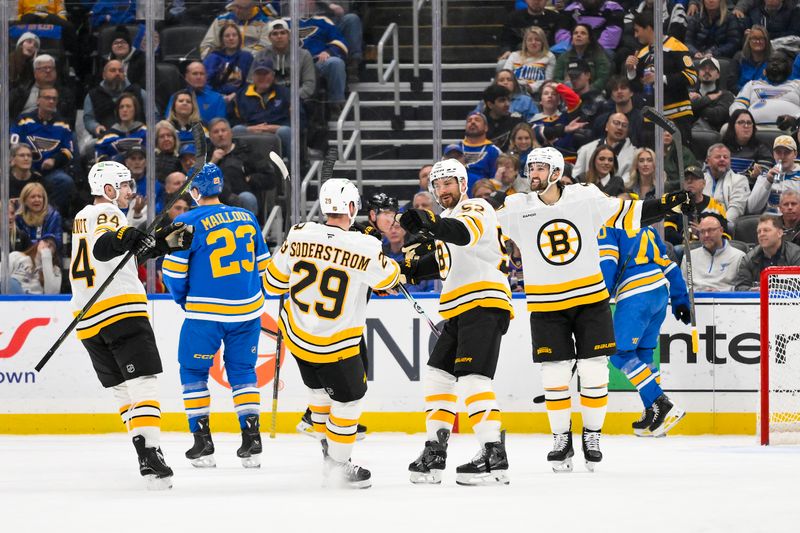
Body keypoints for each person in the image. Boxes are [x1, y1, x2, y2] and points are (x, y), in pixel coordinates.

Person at [495, 147, 690, 472]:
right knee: (579, 369)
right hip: (570, 301)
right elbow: (486, 225)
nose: (534, 174)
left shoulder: (591, 209)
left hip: (611, 297)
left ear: (556, 172)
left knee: (606, 363)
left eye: (541, 168)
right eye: (531, 168)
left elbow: (618, 238)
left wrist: (663, 207)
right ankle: (579, 434)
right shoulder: (521, 205)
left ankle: (623, 420)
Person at [263, 178, 402, 488]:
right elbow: (390, 278)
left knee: (320, 399)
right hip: (337, 345)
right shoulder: (364, 245)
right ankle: (338, 467)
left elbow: (272, 284)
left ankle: (329, 454)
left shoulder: (299, 233)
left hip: (298, 340)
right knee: (349, 403)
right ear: (352, 208)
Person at [70, 160, 192, 489]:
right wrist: (128, 233)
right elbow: (106, 243)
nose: (129, 191)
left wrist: (160, 245)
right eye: (124, 185)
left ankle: (144, 455)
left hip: (87, 319)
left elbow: (114, 258)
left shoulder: (81, 217)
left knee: (125, 393)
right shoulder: (106, 213)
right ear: (108, 189)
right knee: (145, 382)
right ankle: (152, 451)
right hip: (119, 310)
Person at [400, 159, 513, 485]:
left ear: (462, 184)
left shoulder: (476, 207)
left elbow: (463, 235)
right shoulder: (446, 221)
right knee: (438, 376)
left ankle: (494, 455)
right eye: (438, 185)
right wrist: (401, 269)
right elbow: (440, 261)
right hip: (458, 309)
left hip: (484, 302)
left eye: (449, 183)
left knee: (472, 378)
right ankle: (435, 452)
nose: (443, 189)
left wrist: (429, 222)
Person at [161, 163, 269, 469]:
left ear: (195, 191)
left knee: (193, 372)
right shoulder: (247, 217)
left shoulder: (186, 220)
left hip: (205, 311)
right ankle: (252, 439)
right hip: (248, 309)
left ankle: (203, 442)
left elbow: (172, 272)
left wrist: (184, 300)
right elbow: (263, 266)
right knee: (243, 372)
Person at [599, 225, 690, 436]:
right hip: (660, 292)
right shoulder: (647, 229)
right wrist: (679, 298)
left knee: (619, 353)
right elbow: (668, 265)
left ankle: (662, 403)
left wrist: (600, 298)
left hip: (635, 294)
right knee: (643, 353)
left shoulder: (608, 227)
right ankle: (653, 413)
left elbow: (608, 265)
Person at [626, 10, 697, 145]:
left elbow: (691, 77)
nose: (635, 35)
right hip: (651, 117)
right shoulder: (642, 53)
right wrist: (631, 71)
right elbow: (637, 87)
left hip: (678, 114)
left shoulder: (676, 46)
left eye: (637, 30)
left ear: (648, 27)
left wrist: (661, 78)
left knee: (678, 160)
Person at [10, 86, 75, 217]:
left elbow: (69, 151)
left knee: (65, 181)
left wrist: (54, 160)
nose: (51, 101)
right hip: (26, 169)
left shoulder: (63, 124)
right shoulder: (23, 120)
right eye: (47, 98)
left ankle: (52, 217)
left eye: (54, 99)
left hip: (51, 172)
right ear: (38, 100)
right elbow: (13, 144)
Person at [208, 117, 277, 217]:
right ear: (210, 136)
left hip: (242, 199)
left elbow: (270, 179)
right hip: (215, 202)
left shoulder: (247, 151)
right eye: (216, 132)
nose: (220, 134)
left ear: (231, 133)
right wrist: (213, 162)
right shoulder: (206, 155)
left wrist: (249, 179)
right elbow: (198, 183)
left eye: (223, 130)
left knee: (247, 197)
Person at [230, 58, 293, 160]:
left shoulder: (285, 93)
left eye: (266, 74)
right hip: (251, 131)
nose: (262, 77)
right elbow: (233, 120)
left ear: (272, 76)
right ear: (253, 77)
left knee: (286, 131)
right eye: (259, 74)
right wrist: (250, 128)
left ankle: (294, 172)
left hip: (277, 131)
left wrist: (274, 128)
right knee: (237, 130)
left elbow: (297, 120)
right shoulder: (241, 95)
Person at [730, 51, 800, 128]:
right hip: (753, 129)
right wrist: (743, 118)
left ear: (789, 67)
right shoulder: (752, 85)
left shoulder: (797, 84)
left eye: (780, 61)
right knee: (725, 128)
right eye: (771, 61)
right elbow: (738, 104)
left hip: (793, 129)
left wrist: (795, 119)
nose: (775, 63)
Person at [251, 19, 316, 101]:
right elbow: (252, 82)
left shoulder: (304, 55)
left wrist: (289, 99)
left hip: (297, 102)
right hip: (268, 101)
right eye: (275, 34)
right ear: (269, 38)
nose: (279, 36)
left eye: (283, 33)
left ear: (288, 35)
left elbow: (309, 85)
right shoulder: (261, 55)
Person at [665, 165, 729, 246]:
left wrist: (702, 233)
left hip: (710, 247)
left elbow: (725, 235)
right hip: (683, 246)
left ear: (703, 183)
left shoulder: (716, 206)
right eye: (686, 179)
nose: (689, 181)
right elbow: (667, 230)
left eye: (694, 178)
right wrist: (684, 240)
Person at [83, 60, 147, 139]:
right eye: (113, 70)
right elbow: (89, 119)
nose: (117, 73)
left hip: (138, 137)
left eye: (120, 71)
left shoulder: (138, 92)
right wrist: (95, 127)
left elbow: (153, 115)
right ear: (104, 75)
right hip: (105, 138)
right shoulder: (92, 95)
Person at [682, 212, 746, 291]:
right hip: (696, 301)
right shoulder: (688, 258)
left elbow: (743, 289)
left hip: (726, 301)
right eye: (702, 231)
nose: (706, 235)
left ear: (721, 230)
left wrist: (722, 293)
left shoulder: (739, 257)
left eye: (710, 230)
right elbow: (682, 289)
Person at [734, 215, 800, 290]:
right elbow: (740, 287)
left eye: (766, 230)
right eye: (759, 232)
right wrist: (750, 290)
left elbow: (798, 285)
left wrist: (769, 290)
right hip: (758, 300)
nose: (761, 234)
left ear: (779, 233)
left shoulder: (796, 254)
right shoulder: (749, 258)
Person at [573, 113, 636, 187]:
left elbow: (628, 181)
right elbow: (575, 176)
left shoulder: (634, 154)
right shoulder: (586, 149)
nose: (620, 127)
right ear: (606, 126)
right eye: (616, 123)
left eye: (624, 125)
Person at [747, 135, 800, 215]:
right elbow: (751, 209)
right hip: (769, 222)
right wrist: (768, 182)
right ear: (773, 154)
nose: (782, 156)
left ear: (795, 154)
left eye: (787, 152)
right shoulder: (765, 176)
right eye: (778, 152)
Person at [199, 0, 271, 59]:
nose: (237, 11)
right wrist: (213, 59)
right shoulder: (221, 20)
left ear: (252, 7)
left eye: (242, 8)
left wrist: (244, 59)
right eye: (235, 6)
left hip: (250, 66)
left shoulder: (264, 23)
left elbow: (265, 49)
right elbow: (206, 45)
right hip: (222, 64)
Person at [553, 23, 611, 93]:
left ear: (589, 39)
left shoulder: (598, 55)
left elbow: (603, 78)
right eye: (575, 33)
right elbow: (556, 78)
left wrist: (589, 90)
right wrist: (567, 87)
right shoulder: (564, 57)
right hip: (568, 92)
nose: (578, 35)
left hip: (592, 93)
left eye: (583, 33)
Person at [203, 21, 254, 100]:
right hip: (215, 98)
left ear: (239, 38)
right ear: (222, 39)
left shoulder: (247, 57)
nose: (231, 38)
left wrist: (235, 95)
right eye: (227, 36)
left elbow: (250, 82)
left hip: (240, 98)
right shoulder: (213, 57)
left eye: (234, 35)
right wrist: (216, 97)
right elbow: (205, 82)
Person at [530, 81, 585, 152]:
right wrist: (564, 129)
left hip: (566, 159)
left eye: (554, 94)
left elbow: (575, 100)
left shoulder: (567, 117)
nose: (550, 96)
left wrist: (558, 86)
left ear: (559, 101)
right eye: (546, 93)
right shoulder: (533, 122)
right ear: (540, 100)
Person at [722, 109, 773, 183]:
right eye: (741, 122)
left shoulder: (761, 148)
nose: (746, 126)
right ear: (732, 126)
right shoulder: (722, 147)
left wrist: (758, 175)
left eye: (749, 123)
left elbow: (767, 172)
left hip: (750, 188)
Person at [501, 26, 556, 96]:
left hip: (537, 94)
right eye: (530, 40)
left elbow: (547, 81)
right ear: (525, 42)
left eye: (537, 40)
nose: (533, 42)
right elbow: (505, 76)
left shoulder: (549, 56)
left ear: (543, 42)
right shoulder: (514, 56)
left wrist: (531, 88)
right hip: (514, 92)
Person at [702, 144, 749, 226]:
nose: (722, 159)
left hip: (725, 225)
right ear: (708, 161)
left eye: (725, 157)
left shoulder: (739, 180)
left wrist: (717, 225)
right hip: (700, 224)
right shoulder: (700, 179)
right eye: (718, 157)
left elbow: (736, 209)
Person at [555, 0, 625, 53]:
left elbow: (611, 37)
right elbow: (562, 33)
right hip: (574, 48)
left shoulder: (613, 8)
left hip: (601, 50)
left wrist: (589, 51)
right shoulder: (570, 9)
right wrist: (575, 48)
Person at [94, 93, 148, 162]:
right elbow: (99, 155)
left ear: (135, 110)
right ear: (117, 111)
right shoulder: (107, 136)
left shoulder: (145, 132)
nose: (124, 110)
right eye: (121, 107)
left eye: (128, 106)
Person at [457, 112, 503, 192]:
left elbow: (497, 179)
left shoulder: (494, 151)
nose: (473, 122)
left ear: (486, 128)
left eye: (477, 120)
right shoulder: (455, 149)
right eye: (469, 120)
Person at [474, 69, 539, 123]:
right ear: (496, 83)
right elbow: (474, 117)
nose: (505, 82)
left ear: (514, 83)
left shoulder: (526, 101)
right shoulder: (486, 101)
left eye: (509, 80)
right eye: (501, 80)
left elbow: (534, 121)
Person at [690, 56, 735, 132]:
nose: (707, 71)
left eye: (711, 69)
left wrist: (696, 103)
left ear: (718, 75)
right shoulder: (690, 93)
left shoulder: (725, 95)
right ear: (698, 73)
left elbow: (716, 116)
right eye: (703, 69)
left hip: (714, 136)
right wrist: (707, 99)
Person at [15, 182, 63, 249]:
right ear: (25, 200)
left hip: (48, 255)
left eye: (39, 197)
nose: (37, 200)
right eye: (33, 197)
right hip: (24, 255)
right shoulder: (18, 218)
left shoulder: (53, 216)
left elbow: (56, 241)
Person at [480, 85, 524, 152]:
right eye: (502, 100)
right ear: (490, 105)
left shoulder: (516, 121)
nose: (507, 104)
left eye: (508, 100)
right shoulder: (479, 124)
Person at [736, 25, 770, 90]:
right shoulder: (739, 58)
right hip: (740, 96)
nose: (758, 42)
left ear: (766, 41)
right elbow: (732, 85)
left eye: (761, 38)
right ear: (748, 40)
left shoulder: (773, 61)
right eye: (754, 38)